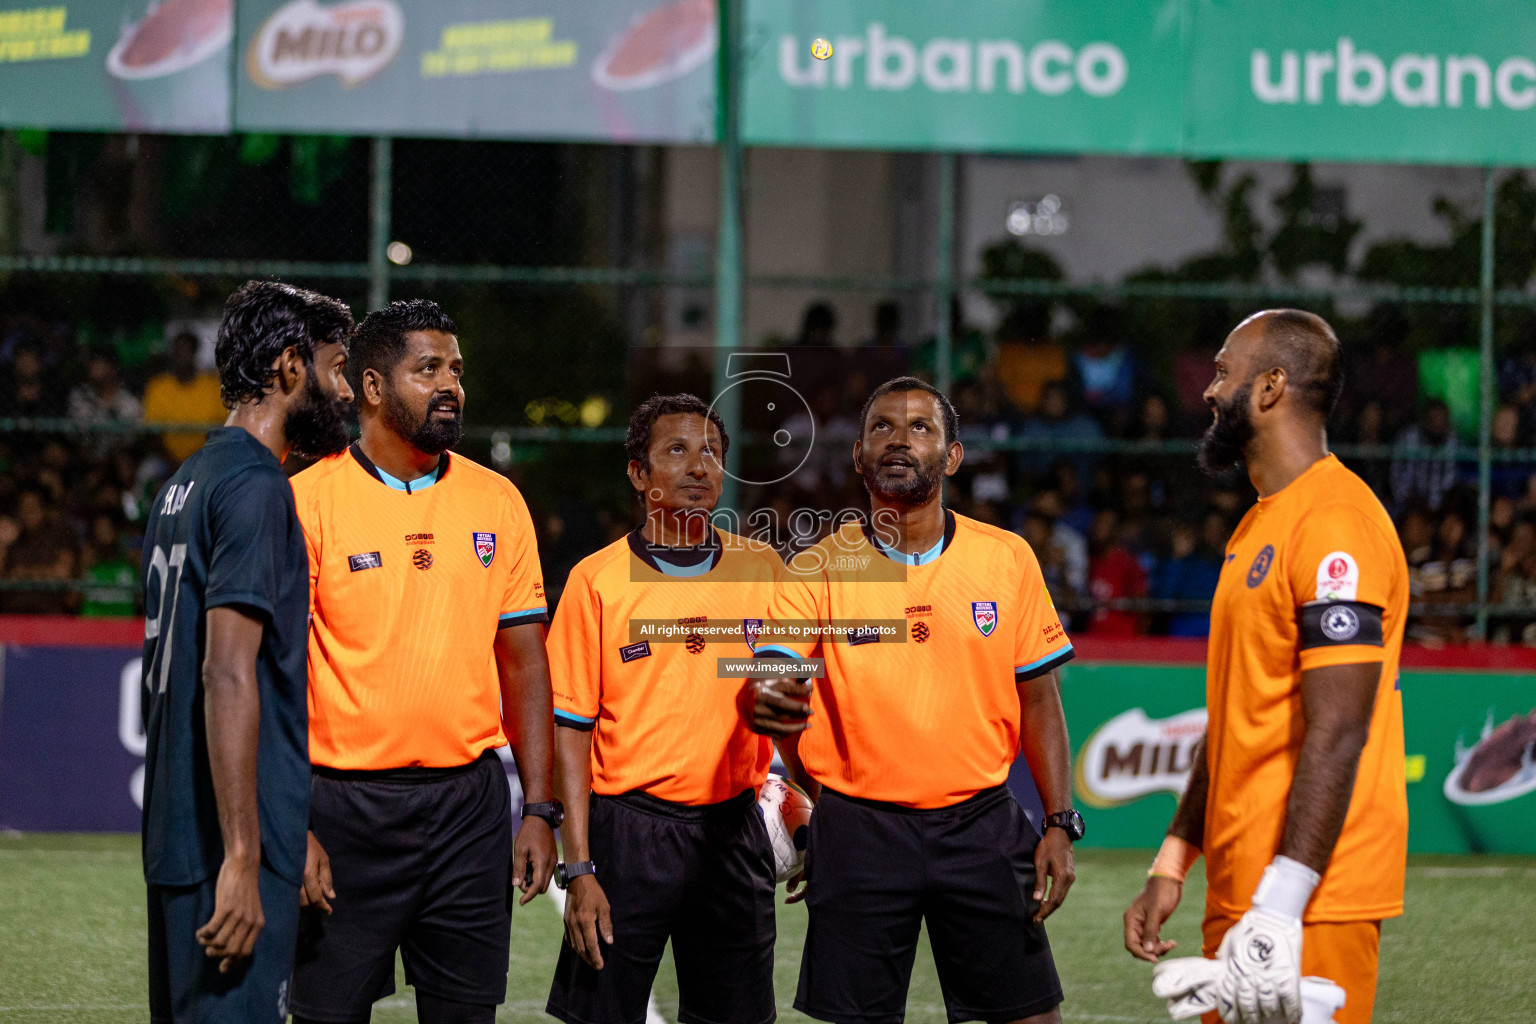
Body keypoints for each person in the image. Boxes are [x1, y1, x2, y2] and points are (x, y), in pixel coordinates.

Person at [747, 376, 1082, 1024]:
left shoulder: (1006, 559)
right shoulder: (815, 568)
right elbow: (771, 681)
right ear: (858, 454)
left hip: (982, 823)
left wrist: (1060, 820)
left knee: (1028, 1017)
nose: (900, 439)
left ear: (952, 456)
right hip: (860, 830)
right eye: (882, 427)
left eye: (921, 427)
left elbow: (1040, 701)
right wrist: (816, 787)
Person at [1123, 310, 1408, 1024]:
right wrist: (1174, 860)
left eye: (1224, 372)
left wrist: (1282, 905)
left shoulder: (1336, 521)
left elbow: (1340, 727)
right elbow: (1236, 718)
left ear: (1272, 386)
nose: (1210, 392)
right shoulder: (1259, 522)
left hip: (1309, 902)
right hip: (1243, 889)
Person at [288, 299, 557, 1024]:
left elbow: (527, 665)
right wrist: (291, 822)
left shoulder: (497, 501)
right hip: (342, 811)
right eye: (428, 369)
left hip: (468, 811)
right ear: (373, 387)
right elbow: (270, 677)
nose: (451, 386)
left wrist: (537, 807)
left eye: (457, 370)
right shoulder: (306, 503)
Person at [140, 280, 355, 1024]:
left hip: (179, 838)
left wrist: (288, 826)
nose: (348, 391)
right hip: (221, 853)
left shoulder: (187, 481)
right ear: (290, 366)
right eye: (335, 368)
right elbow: (226, 672)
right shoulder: (259, 489)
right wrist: (243, 854)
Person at [545, 394, 783, 1024]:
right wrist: (580, 868)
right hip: (628, 834)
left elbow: (792, 700)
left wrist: (806, 792)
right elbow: (569, 732)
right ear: (638, 472)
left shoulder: (764, 570)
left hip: (733, 833)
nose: (698, 466)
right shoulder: (595, 581)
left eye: (711, 452)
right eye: (676, 450)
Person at [143, 331, 228, 464]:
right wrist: (172, 463)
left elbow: (219, 430)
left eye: (187, 350)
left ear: (195, 352)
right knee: (146, 473)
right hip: (165, 460)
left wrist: (194, 463)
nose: (182, 356)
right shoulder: (157, 386)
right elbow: (153, 434)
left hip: (205, 458)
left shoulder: (212, 386)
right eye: (178, 350)